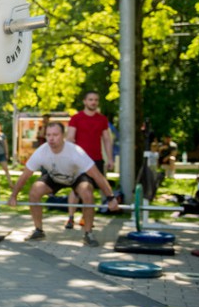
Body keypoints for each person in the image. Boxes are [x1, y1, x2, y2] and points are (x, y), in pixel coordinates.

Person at [7, 122, 119, 247]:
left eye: (55, 135)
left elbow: (97, 175)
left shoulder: (75, 152)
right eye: (48, 135)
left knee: (87, 192)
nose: (51, 138)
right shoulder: (41, 152)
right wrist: (13, 195)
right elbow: (24, 176)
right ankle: (38, 230)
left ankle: (88, 233)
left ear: (63, 136)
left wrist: (111, 197)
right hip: (54, 177)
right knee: (34, 191)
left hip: (76, 177)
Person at [65, 91, 113, 229]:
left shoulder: (102, 119)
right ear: (85, 101)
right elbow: (70, 139)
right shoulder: (76, 118)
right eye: (91, 99)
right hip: (78, 160)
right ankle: (70, 218)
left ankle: (85, 218)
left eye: (96, 100)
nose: (93, 102)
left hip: (96, 160)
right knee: (75, 190)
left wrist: (110, 159)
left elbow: (107, 140)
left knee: (90, 190)